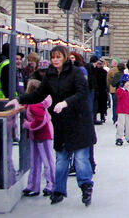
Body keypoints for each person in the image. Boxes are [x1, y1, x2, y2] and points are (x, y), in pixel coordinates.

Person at [7, 45, 97, 206]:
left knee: (81, 159)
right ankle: (59, 190)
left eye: (58, 57)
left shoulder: (76, 73)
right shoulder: (50, 75)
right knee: (61, 159)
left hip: (79, 121)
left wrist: (65, 102)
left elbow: (82, 93)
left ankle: (86, 187)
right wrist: (20, 99)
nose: (55, 60)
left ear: (64, 57)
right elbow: (39, 93)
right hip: (61, 122)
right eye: (53, 57)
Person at [21, 79, 55, 197]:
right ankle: (35, 185)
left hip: (43, 134)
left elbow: (40, 120)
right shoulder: (37, 103)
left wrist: (28, 125)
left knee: (46, 160)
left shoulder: (35, 104)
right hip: (38, 134)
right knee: (36, 160)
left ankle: (50, 185)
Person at [93, 58, 109, 124]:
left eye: (100, 64)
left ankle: (102, 117)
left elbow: (106, 81)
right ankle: (97, 117)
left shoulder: (104, 72)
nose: (99, 65)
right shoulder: (95, 71)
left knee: (102, 105)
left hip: (101, 90)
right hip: (97, 90)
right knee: (97, 105)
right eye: (98, 64)